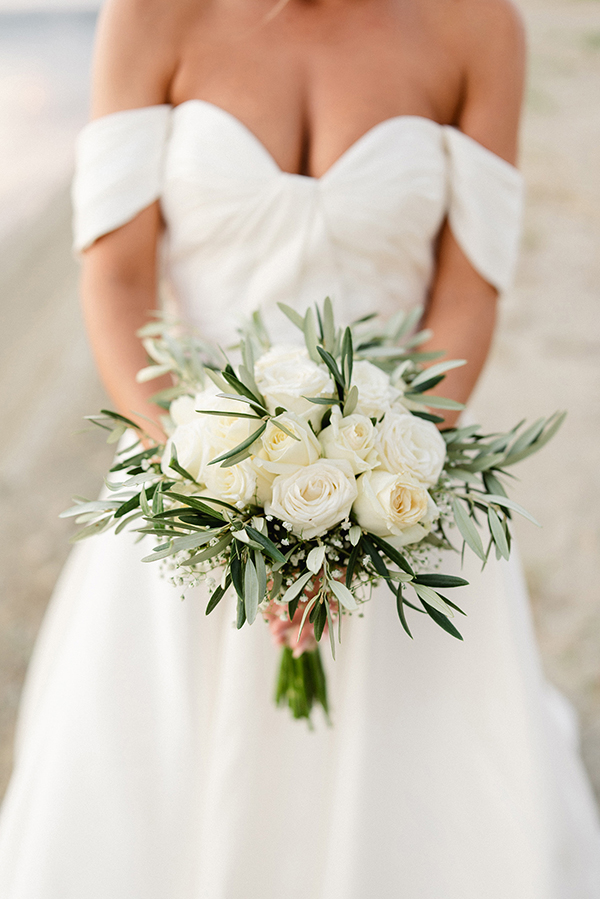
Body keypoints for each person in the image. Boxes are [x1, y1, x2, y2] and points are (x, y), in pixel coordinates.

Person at [0, 0, 599, 895]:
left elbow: (467, 295)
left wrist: (378, 491)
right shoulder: (152, 16)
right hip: (185, 482)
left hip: (404, 493)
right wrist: (215, 493)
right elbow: (117, 277)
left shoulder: (478, 27)